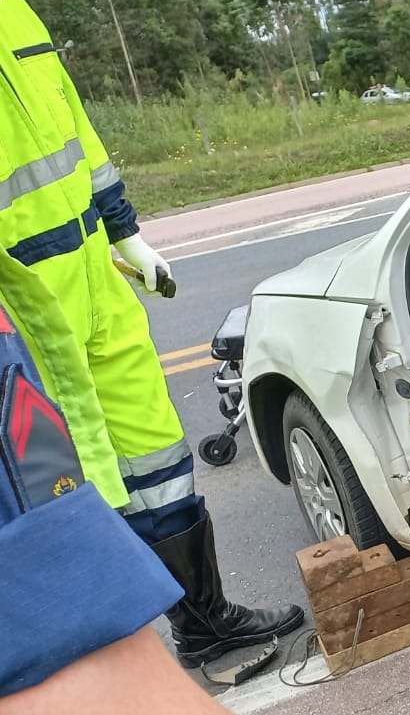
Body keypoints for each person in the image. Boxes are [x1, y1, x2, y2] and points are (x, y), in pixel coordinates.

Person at [0, 0, 302, 667]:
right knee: (66, 486)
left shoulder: (15, 12)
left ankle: (205, 622)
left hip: (91, 272)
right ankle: (118, 663)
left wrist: (126, 231)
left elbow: (77, 133)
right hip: (17, 302)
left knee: (155, 456)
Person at [0, 254, 230, 715]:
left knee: (161, 475)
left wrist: (126, 232)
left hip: (83, 316)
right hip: (51, 341)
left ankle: (204, 621)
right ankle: (200, 623)